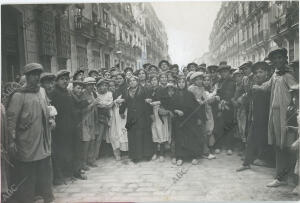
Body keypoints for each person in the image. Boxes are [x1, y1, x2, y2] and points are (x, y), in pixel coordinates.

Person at [7, 63, 54, 203]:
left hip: (43, 141)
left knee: (45, 172)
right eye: (33, 74)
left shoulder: (42, 92)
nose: (36, 77)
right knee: (28, 175)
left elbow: (48, 108)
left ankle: (48, 197)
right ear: (26, 77)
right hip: (27, 143)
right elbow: (11, 119)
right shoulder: (19, 95)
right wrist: (12, 140)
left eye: (38, 74)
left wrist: (51, 119)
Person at [253, 48, 298, 187]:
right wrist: (257, 87)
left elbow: (296, 90)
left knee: (286, 145)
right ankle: (281, 176)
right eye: (275, 59)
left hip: (286, 115)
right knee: (279, 144)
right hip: (275, 115)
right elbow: (267, 86)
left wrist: (294, 107)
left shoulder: (288, 75)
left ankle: (283, 177)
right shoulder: (275, 74)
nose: (278, 61)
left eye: (280, 58)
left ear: (285, 59)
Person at [236, 62, 271, 172]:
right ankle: (247, 163)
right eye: (256, 72)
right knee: (250, 140)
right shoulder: (254, 86)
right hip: (256, 118)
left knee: (266, 141)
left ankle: (268, 161)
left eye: (261, 72)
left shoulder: (269, 85)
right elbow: (247, 98)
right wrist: (242, 98)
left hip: (267, 119)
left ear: (267, 73)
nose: (258, 74)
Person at [168, 75, 205, 165]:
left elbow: (196, 107)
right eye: (179, 82)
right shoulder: (174, 95)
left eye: (183, 82)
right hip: (178, 120)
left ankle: (193, 156)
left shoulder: (189, 94)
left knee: (191, 137)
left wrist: (198, 118)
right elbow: (171, 106)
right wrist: (176, 110)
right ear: (177, 84)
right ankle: (180, 157)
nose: (181, 84)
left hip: (189, 120)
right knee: (179, 137)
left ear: (185, 83)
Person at [119, 76, 154, 163]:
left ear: (137, 81)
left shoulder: (144, 89)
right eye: (130, 81)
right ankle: (135, 156)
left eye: (134, 80)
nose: (132, 82)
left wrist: (151, 114)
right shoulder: (126, 91)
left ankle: (147, 154)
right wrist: (121, 112)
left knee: (145, 134)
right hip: (131, 116)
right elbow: (124, 102)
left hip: (143, 115)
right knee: (132, 135)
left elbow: (149, 102)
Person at [51, 70, 76, 184]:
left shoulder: (68, 92)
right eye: (62, 79)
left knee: (69, 150)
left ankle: (68, 173)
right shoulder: (53, 93)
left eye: (67, 79)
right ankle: (59, 176)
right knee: (59, 152)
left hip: (69, 127)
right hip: (59, 128)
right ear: (56, 81)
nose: (65, 81)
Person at [188, 72, 218, 160]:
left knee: (203, 133)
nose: (200, 81)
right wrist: (197, 101)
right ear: (193, 81)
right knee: (197, 133)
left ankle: (205, 152)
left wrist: (212, 98)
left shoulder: (202, 88)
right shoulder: (191, 89)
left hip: (202, 112)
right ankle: (197, 152)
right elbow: (190, 101)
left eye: (201, 79)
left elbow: (206, 100)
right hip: (194, 113)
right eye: (197, 79)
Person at [148, 75, 172, 162]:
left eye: (155, 80)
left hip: (161, 113)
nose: (154, 81)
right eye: (152, 80)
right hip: (152, 113)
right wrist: (150, 113)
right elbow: (146, 103)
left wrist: (159, 102)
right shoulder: (149, 90)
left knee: (161, 131)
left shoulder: (162, 89)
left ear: (158, 81)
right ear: (150, 82)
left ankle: (162, 153)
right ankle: (155, 152)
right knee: (154, 132)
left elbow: (168, 101)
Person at [215, 64, 236, 155]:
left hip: (229, 107)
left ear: (228, 72)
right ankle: (219, 145)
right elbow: (217, 93)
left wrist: (227, 102)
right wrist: (219, 101)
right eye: (222, 72)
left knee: (229, 126)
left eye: (225, 72)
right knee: (219, 126)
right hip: (220, 106)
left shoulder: (232, 82)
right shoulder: (218, 82)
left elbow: (233, 94)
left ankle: (229, 147)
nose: (223, 73)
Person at [69, 81, 89, 179]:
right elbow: (77, 108)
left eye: (81, 88)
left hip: (77, 124)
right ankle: (75, 170)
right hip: (71, 124)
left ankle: (78, 169)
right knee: (75, 148)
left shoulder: (78, 96)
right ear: (73, 88)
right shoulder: (71, 96)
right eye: (78, 88)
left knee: (78, 147)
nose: (80, 90)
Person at [95, 79, 114, 160]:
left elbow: (110, 105)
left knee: (110, 135)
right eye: (102, 85)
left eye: (106, 85)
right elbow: (98, 105)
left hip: (110, 115)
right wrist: (105, 105)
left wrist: (104, 105)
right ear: (98, 87)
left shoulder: (109, 94)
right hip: (100, 116)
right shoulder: (96, 95)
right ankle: (95, 155)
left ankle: (110, 152)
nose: (104, 87)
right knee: (99, 137)